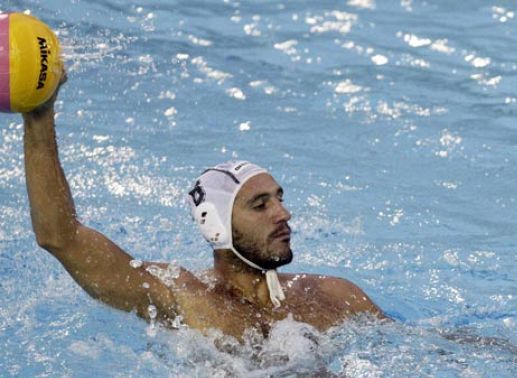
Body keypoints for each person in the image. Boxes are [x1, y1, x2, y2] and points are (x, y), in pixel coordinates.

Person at [23, 72, 383, 340]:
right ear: (217, 226)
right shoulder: (185, 297)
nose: (283, 213)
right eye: (260, 205)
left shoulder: (335, 294)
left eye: (279, 198)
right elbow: (62, 238)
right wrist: (40, 116)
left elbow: (424, 348)